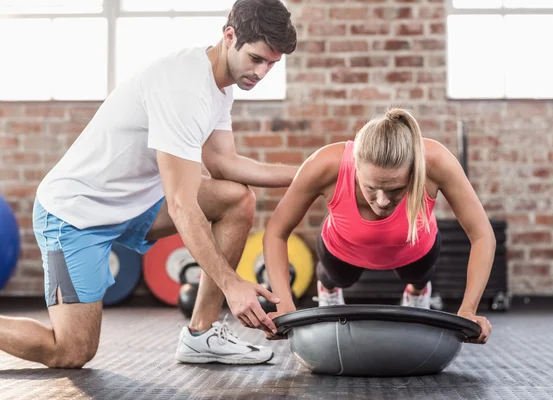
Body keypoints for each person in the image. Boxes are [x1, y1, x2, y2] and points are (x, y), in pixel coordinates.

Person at [0, 0, 298, 369]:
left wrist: (311, 172)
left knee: (236, 199)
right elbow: (182, 205)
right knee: (72, 351)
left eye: (272, 64)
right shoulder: (184, 86)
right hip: (75, 215)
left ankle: (201, 335)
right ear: (229, 35)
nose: (262, 72)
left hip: (135, 204)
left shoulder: (221, 84)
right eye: (256, 59)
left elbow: (223, 163)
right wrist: (232, 284)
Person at [262, 106, 495, 344]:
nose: (382, 201)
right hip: (343, 245)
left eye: (396, 189)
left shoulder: (436, 161)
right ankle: (328, 289)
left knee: (419, 275)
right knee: (337, 277)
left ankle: (417, 293)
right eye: (371, 188)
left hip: (415, 244)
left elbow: (482, 235)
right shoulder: (325, 164)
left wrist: (468, 310)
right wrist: (286, 309)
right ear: (355, 166)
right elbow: (276, 233)